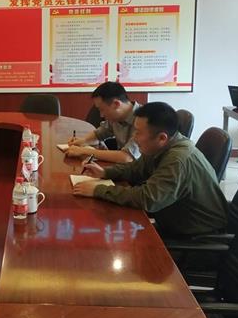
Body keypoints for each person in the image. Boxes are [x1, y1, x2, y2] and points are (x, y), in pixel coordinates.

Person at [73, 102, 228, 238]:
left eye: (138, 133)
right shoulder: (161, 146)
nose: (134, 138)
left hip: (195, 233)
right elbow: (136, 168)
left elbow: (147, 199)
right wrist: (106, 172)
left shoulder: (177, 159)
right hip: (172, 216)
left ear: (162, 138)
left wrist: (98, 190)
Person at [66, 82, 141, 163]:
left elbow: (126, 157)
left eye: (102, 109)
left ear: (116, 104)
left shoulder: (143, 120)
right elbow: (99, 133)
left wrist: (84, 151)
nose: (101, 115)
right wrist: (83, 141)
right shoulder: (116, 117)